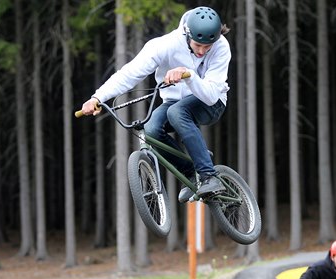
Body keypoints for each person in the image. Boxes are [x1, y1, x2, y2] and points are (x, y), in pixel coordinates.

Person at [80, 6, 231, 200]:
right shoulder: (164, 45)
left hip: (212, 102)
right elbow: (129, 73)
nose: (202, 51)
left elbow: (210, 95)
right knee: (151, 130)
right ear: (187, 34)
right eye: (197, 45)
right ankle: (192, 174)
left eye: (206, 47)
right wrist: (98, 97)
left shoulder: (221, 46)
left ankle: (209, 176)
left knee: (177, 112)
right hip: (174, 102)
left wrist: (189, 75)